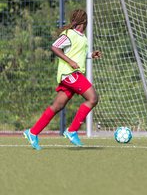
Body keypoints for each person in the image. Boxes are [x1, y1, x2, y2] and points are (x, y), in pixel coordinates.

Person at [23, 9, 102, 150]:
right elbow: (54, 47)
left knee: (57, 106)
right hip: (70, 74)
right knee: (93, 98)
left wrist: (90, 54)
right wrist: (70, 61)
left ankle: (32, 132)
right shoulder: (69, 34)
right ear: (84, 21)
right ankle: (72, 131)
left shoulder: (82, 37)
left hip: (73, 75)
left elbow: (78, 54)